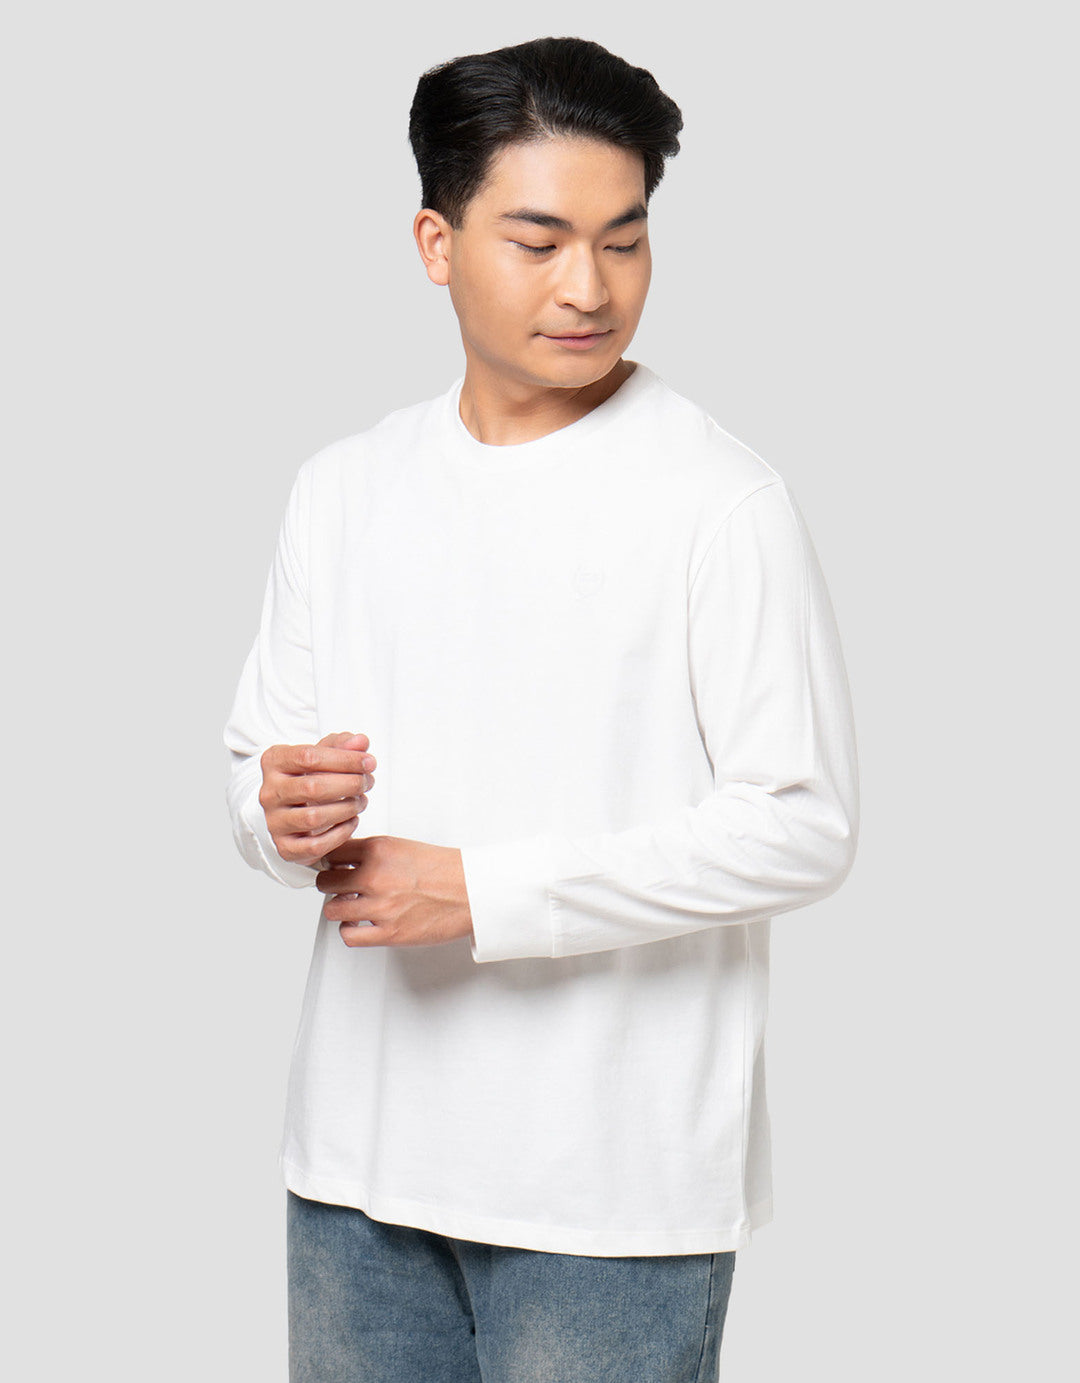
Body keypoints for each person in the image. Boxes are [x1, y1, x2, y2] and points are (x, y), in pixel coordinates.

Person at [223, 35, 859, 1383]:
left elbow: (803, 826)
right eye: (540, 240)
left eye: (625, 240)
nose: (591, 287)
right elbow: (252, 776)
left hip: (609, 1198)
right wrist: (273, 812)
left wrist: (485, 894)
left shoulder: (718, 502)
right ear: (435, 242)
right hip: (354, 1177)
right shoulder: (344, 488)